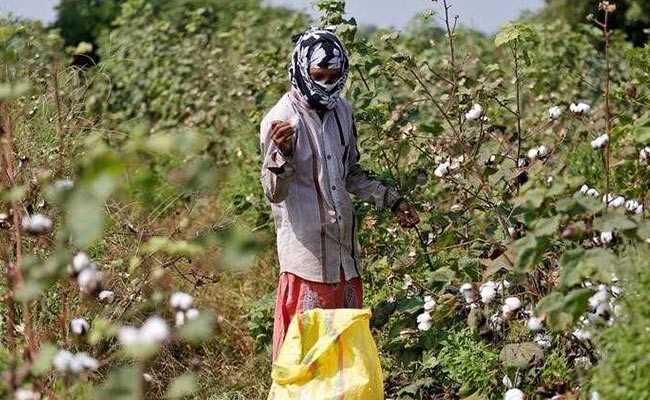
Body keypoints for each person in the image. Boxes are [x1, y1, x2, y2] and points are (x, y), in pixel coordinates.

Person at [259, 27, 419, 361]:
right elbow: (275, 193)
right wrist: (283, 154)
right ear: (302, 70)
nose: (327, 83)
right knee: (306, 362)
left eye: (335, 75)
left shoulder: (342, 111)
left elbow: (351, 174)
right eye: (319, 75)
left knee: (344, 361)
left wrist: (392, 200)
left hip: (345, 260)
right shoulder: (281, 120)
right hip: (307, 264)